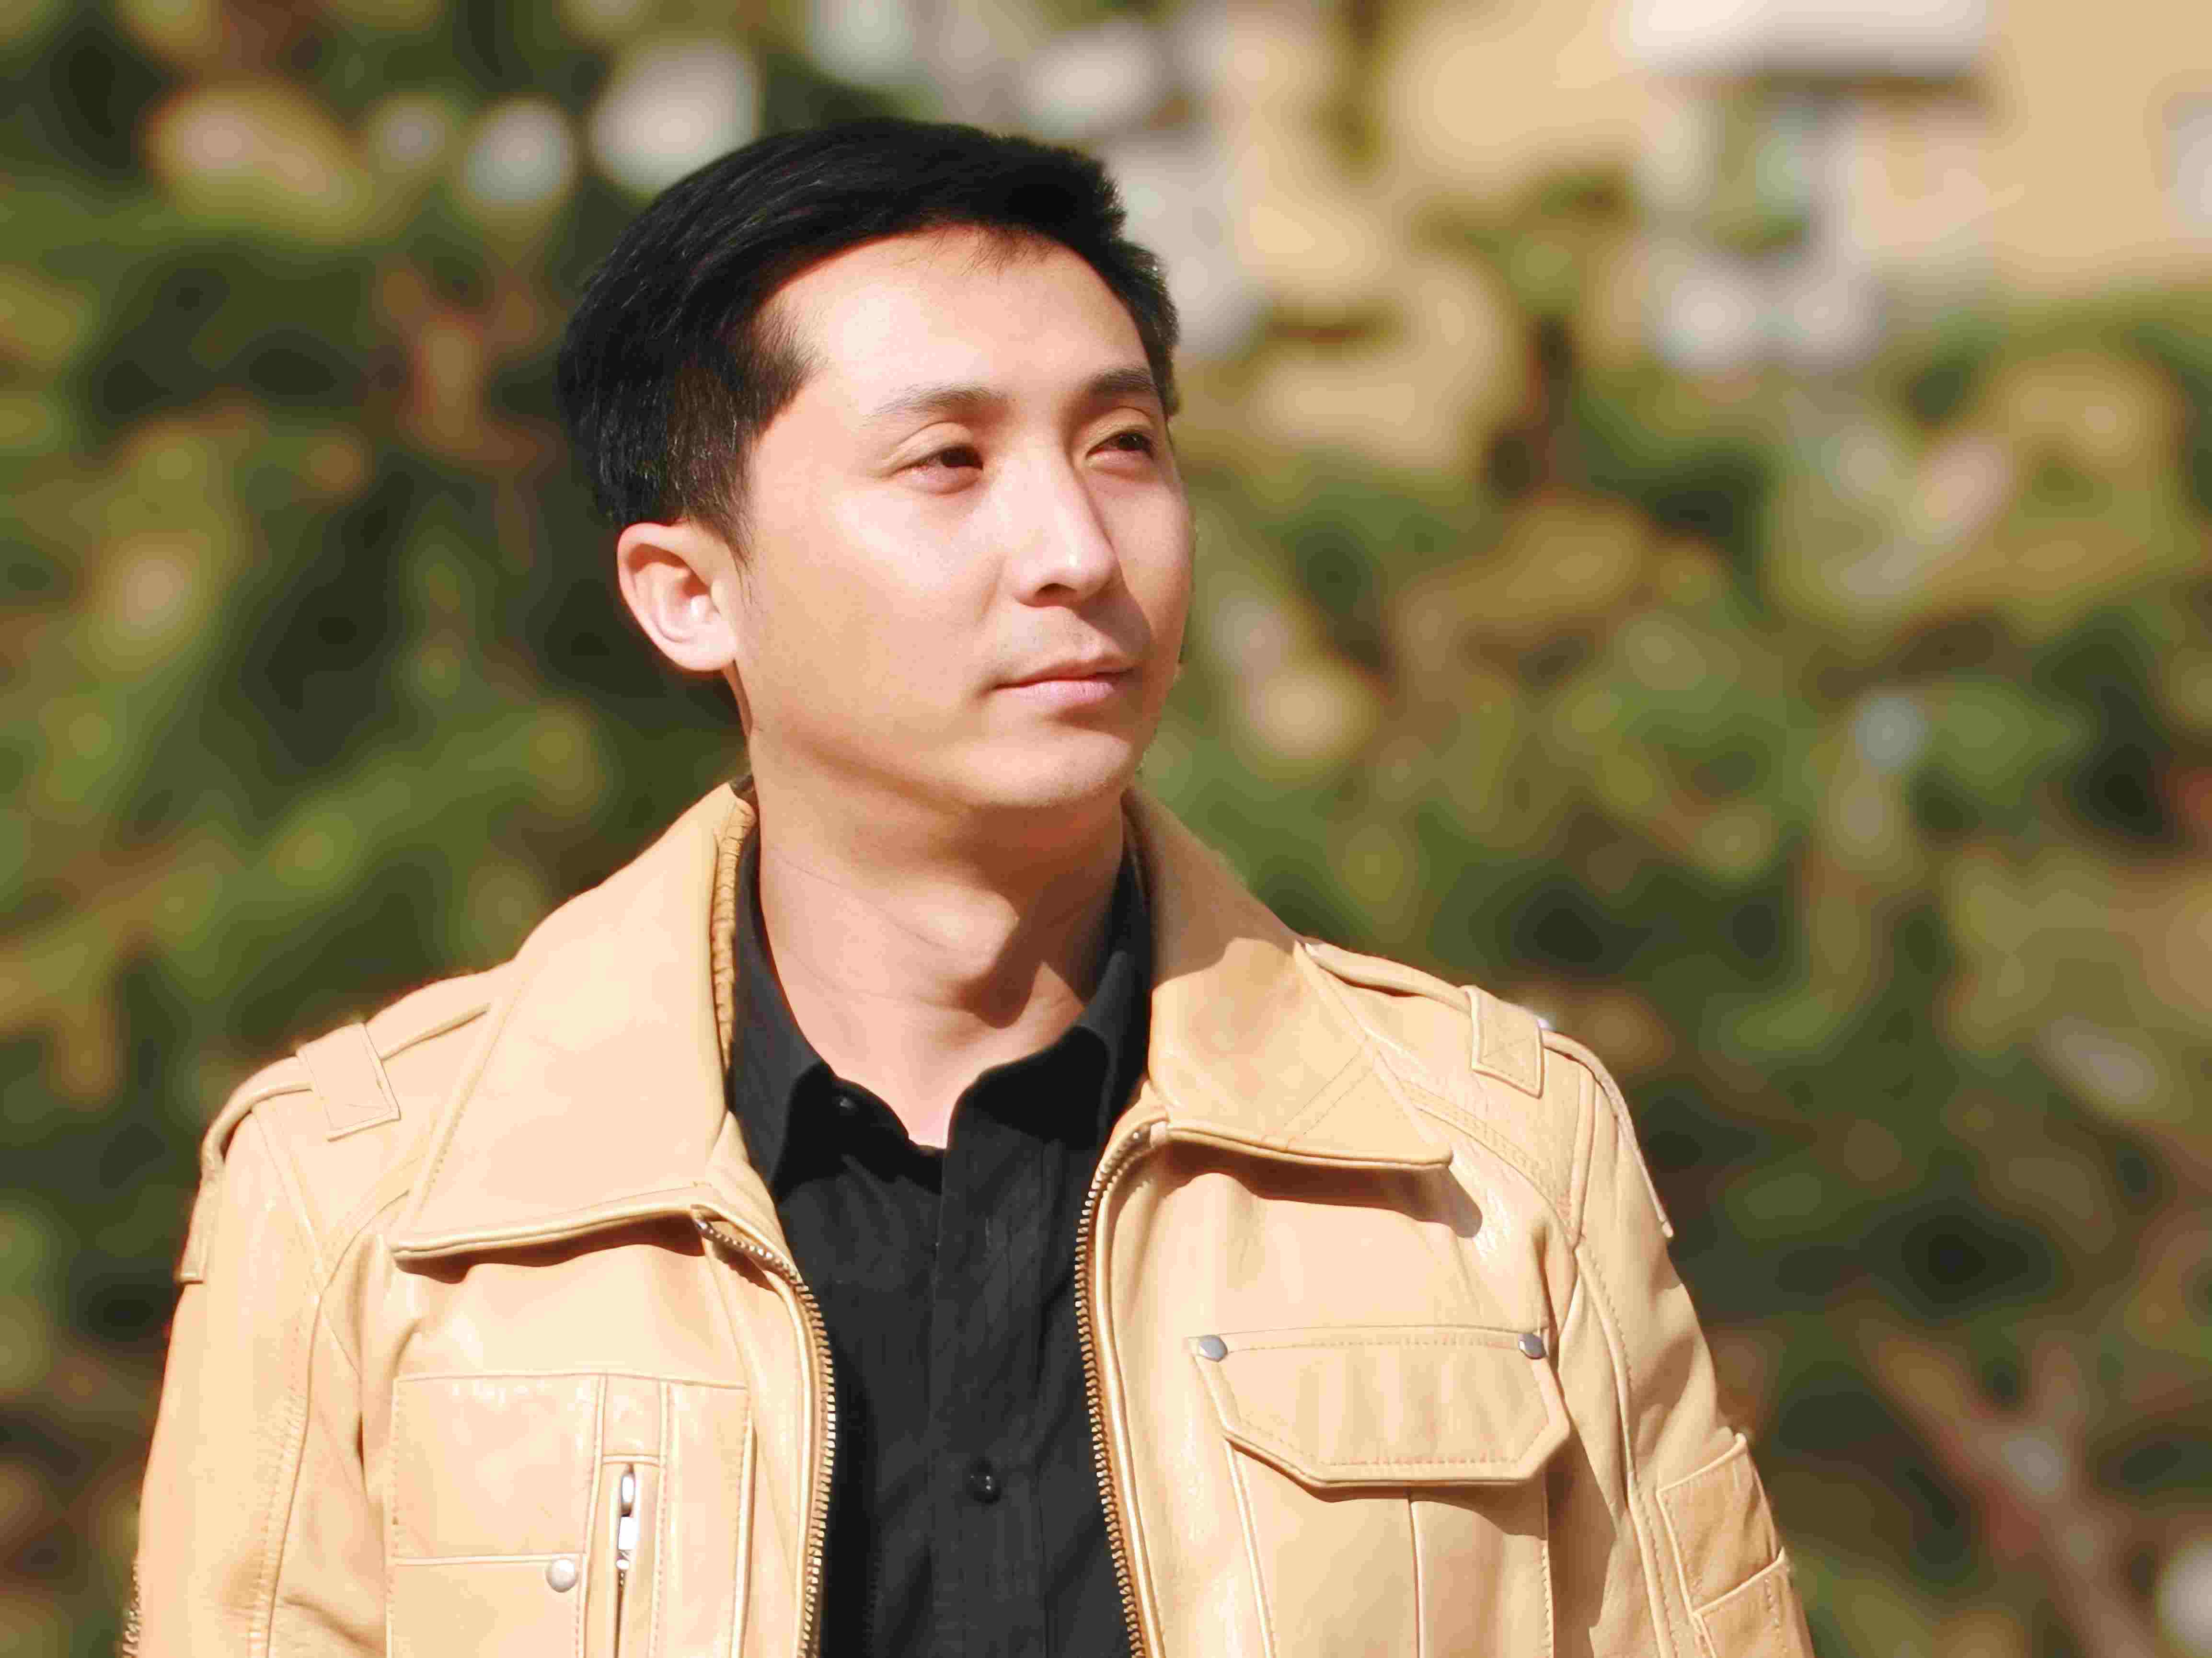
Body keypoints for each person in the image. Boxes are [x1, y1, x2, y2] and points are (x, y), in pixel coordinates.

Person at [132, 117, 1815, 1657]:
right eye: (949, 461)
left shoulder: (1490, 1162)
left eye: (1124, 445)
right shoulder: (366, 1204)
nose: (1077, 549)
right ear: (687, 594)